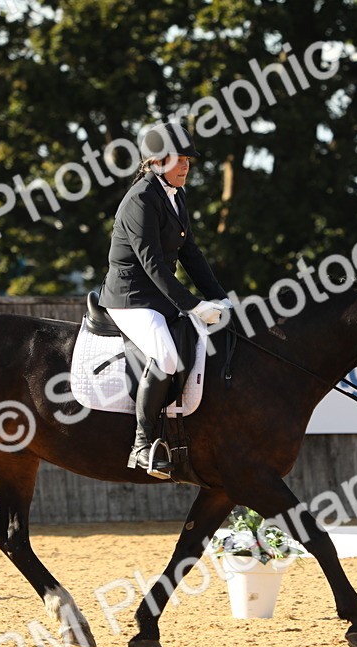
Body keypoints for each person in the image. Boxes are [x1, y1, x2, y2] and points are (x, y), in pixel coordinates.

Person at [99, 122, 231, 479]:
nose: (186, 166)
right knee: (167, 357)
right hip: (130, 298)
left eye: (188, 160)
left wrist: (220, 298)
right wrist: (192, 305)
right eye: (179, 160)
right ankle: (142, 445)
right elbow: (153, 263)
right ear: (156, 161)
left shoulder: (175, 195)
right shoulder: (140, 199)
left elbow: (190, 252)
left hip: (156, 296)